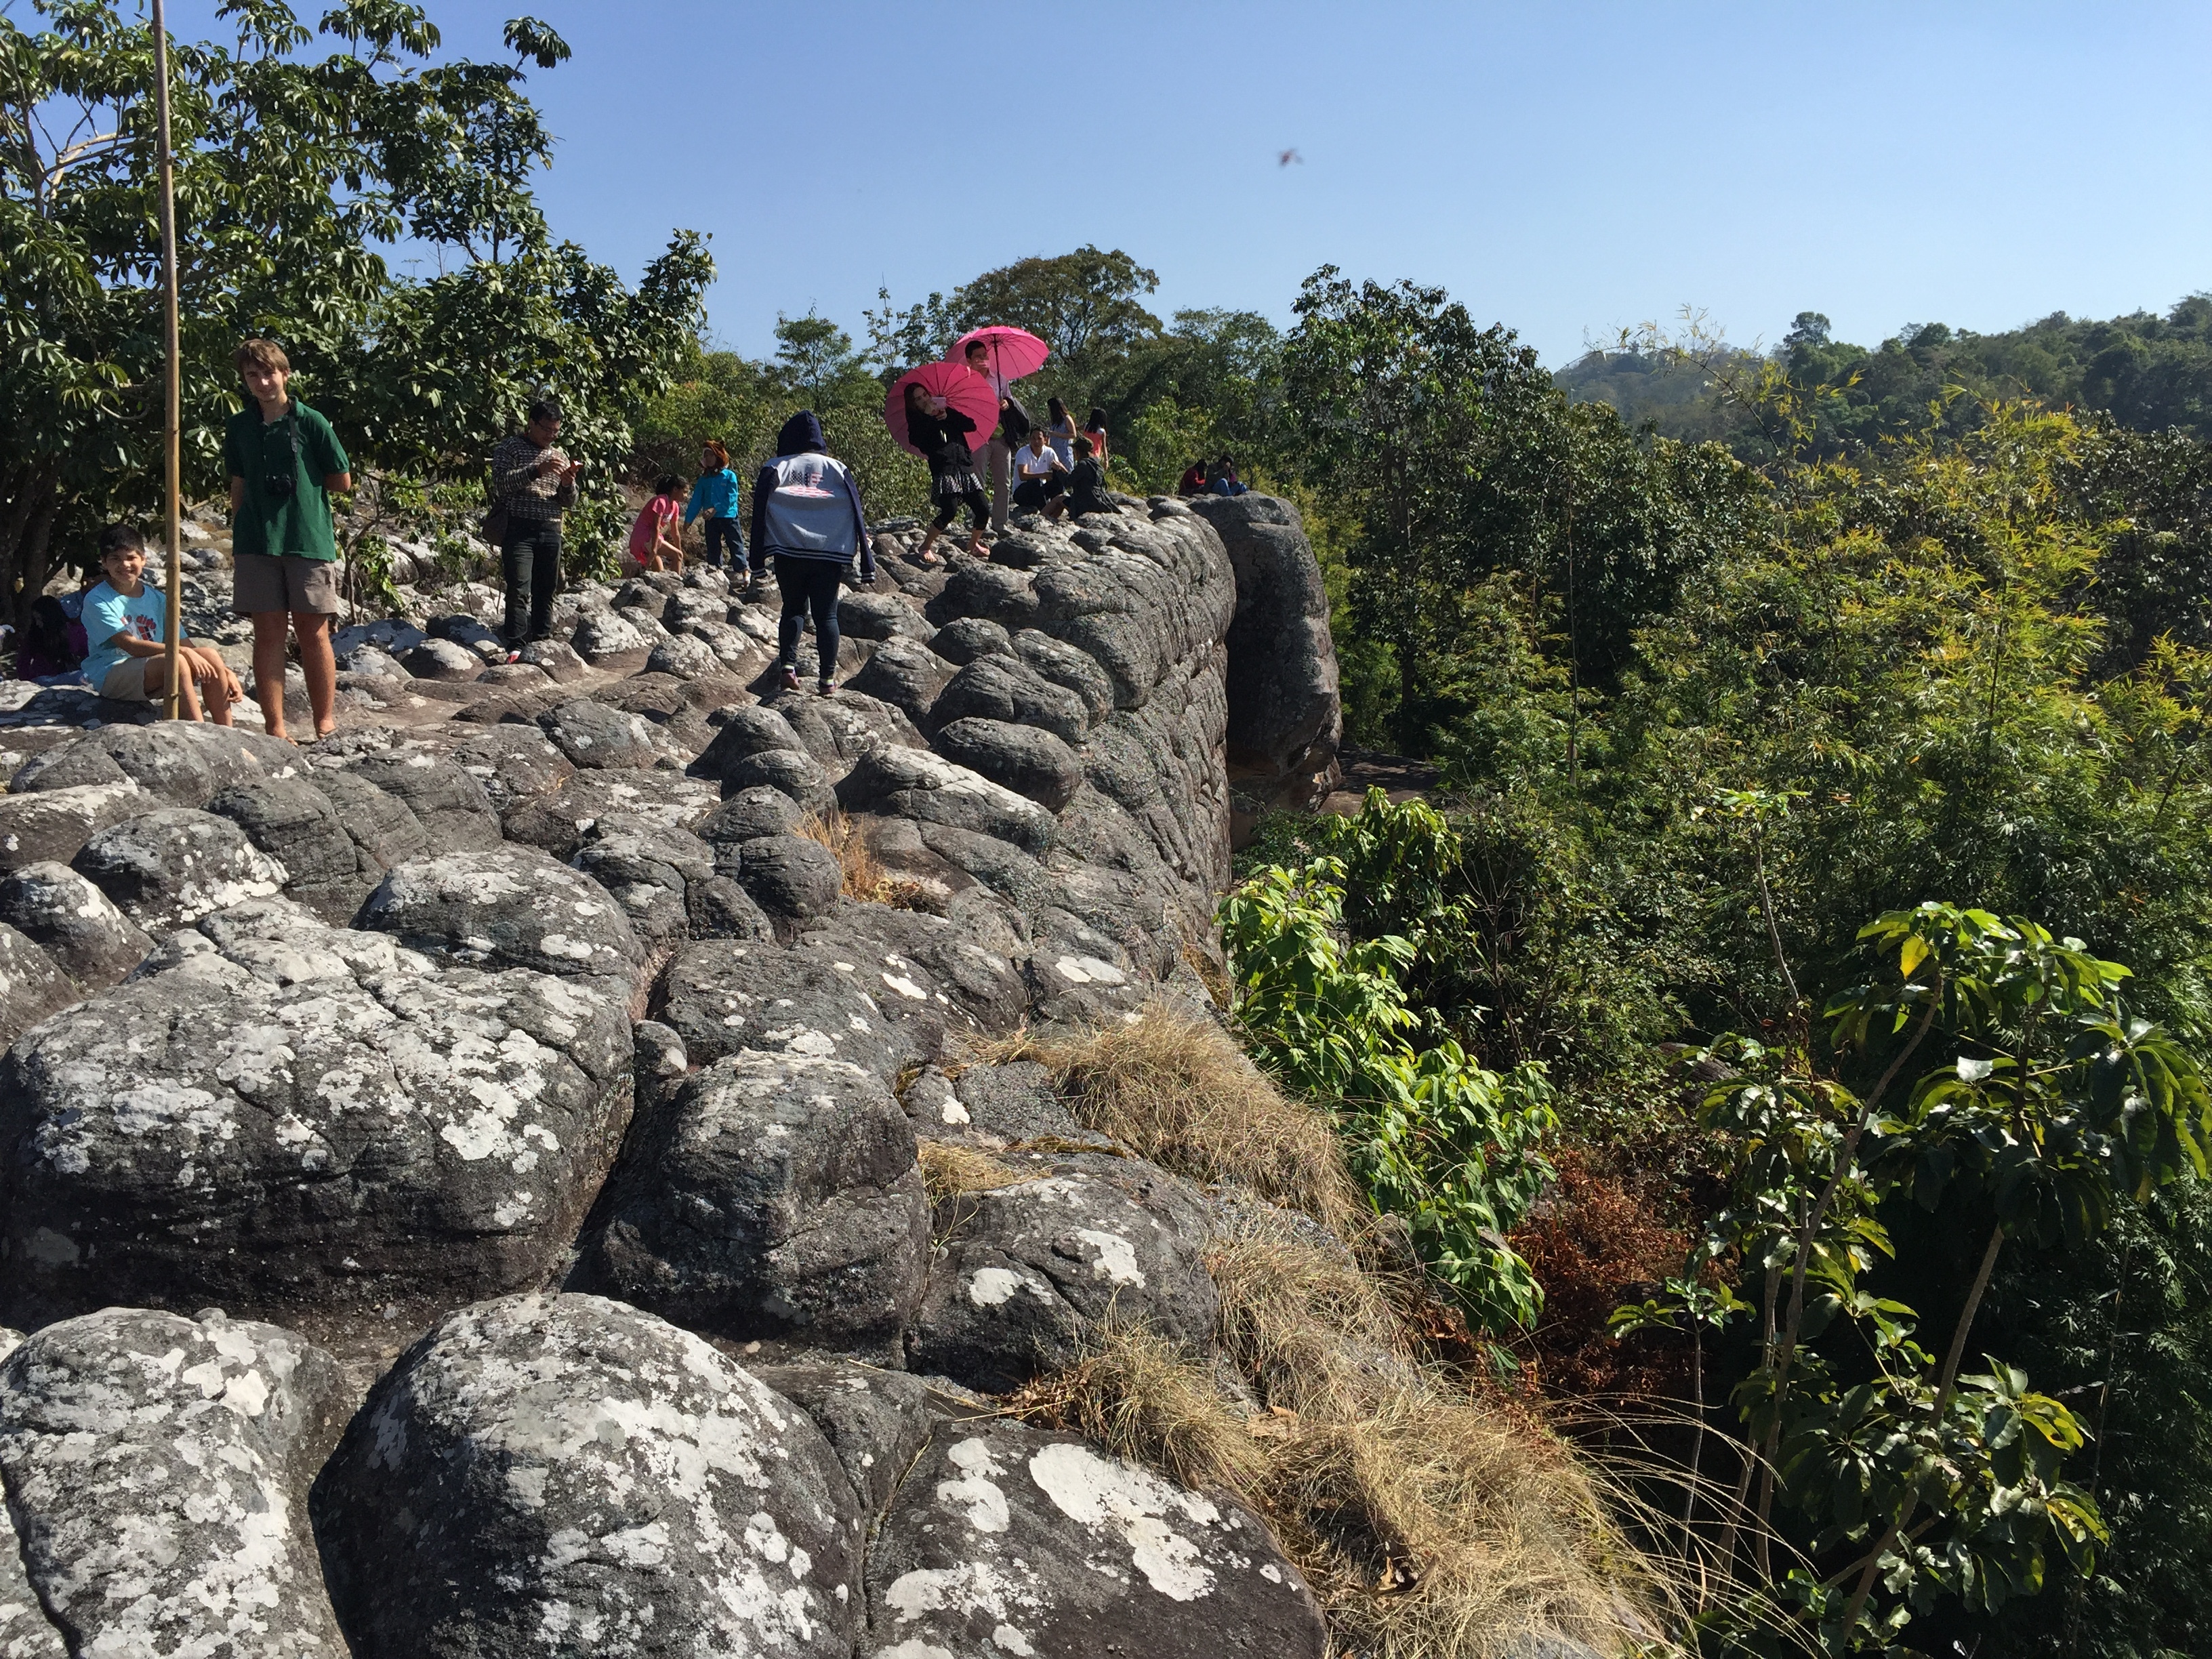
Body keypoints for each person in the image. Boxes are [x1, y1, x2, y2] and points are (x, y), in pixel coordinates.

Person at [226, 338, 350, 740]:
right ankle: (275, 727)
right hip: (256, 540)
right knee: (268, 632)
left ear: (285, 373)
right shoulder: (239, 425)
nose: (262, 382)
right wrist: (240, 524)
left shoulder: (311, 420)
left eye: (268, 373)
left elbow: (341, 480)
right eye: (252, 375)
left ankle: (324, 722)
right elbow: (238, 481)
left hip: (306, 537)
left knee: (314, 632)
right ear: (244, 380)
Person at [750, 410, 876, 695]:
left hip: (788, 549)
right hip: (829, 552)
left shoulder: (776, 466)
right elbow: (855, 510)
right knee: (827, 616)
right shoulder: (837, 468)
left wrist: (756, 559)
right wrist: (866, 562)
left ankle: (787, 668)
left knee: (793, 608)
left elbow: (759, 512)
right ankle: (827, 681)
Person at [82, 524, 241, 722]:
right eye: (115, 559)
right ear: (104, 562)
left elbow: (184, 644)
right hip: (113, 672)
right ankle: (198, 731)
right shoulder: (97, 600)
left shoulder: (157, 599)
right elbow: (130, 645)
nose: (124, 565)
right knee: (176, 662)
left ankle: (226, 732)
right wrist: (181, 652)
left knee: (210, 654)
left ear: (143, 559)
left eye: (131, 558)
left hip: (152, 669)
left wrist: (225, 673)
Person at [487, 398, 578, 651]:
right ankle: (515, 645)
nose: (551, 436)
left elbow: (569, 501)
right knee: (518, 587)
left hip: (551, 528)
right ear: (532, 423)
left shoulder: (559, 455)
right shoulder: (511, 448)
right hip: (518, 526)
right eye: (546, 430)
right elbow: (502, 483)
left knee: (546, 589)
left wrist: (568, 484)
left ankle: (541, 641)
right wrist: (537, 470)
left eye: (556, 432)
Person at [908, 383, 987, 564]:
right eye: (918, 399)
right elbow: (918, 441)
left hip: (964, 465)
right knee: (949, 510)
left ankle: (973, 544)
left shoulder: (947, 412)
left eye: (925, 395)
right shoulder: (918, 422)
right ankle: (925, 546)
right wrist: (929, 418)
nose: (924, 400)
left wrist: (948, 415)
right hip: (943, 468)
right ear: (914, 404)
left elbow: (970, 425)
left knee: (982, 508)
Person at [962, 338, 1017, 536]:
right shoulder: (966, 381)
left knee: (1004, 481)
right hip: (978, 436)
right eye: (978, 357)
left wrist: (1005, 404)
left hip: (1001, 435)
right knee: (978, 480)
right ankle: (978, 522)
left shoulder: (1000, 378)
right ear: (969, 360)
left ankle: (1000, 523)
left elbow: (1010, 401)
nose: (983, 359)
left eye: (985, 355)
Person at [684, 441, 748, 583]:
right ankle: (717, 575)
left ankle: (745, 576)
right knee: (713, 548)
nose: (708, 458)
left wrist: (716, 508)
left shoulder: (729, 476)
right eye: (706, 455)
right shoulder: (704, 480)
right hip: (711, 520)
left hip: (728, 516)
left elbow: (732, 497)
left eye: (711, 455)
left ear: (719, 456)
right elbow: (696, 500)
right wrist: (688, 520)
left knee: (735, 545)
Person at [14, 594, 85, 681]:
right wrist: (27, 681)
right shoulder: (35, 634)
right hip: (40, 680)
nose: (37, 623)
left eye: (40, 619)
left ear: (51, 618)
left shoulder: (77, 632)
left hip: (69, 678)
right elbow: (22, 662)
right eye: (35, 619)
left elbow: (89, 657)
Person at [630, 475, 684, 573]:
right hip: (644, 537)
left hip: (653, 539)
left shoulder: (675, 506)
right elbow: (655, 527)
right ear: (675, 489)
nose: (686, 496)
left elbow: (675, 532)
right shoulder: (660, 501)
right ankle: (677, 584)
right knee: (677, 556)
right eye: (684, 492)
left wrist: (679, 551)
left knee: (659, 573)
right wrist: (654, 550)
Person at [1049, 436, 1111, 520]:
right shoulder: (1096, 463)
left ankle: (1042, 518)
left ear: (1078, 451)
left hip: (1083, 504)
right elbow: (1076, 478)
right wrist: (1064, 469)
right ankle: (1052, 519)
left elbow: (1068, 483)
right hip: (1097, 501)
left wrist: (1059, 470)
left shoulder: (1083, 465)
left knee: (1058, 499)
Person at [1011, 427, 1070, 512]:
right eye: (1033, 439)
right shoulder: (1023, 452)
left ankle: (1057, 509)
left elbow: (1063, 471)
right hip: (1022, 492)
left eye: (1039, 439)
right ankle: (1045, 512)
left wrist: (1060, 468)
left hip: (1041, 490)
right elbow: (1023, 475)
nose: (1036, 442)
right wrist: (1043, 475)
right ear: (1030, 439)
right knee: (1036, 482)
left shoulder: (1049, 452)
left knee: (1057, 479)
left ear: (1045, 440)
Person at [1044, 397, 1078, 471]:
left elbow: (1073, 435)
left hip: (1065, 454)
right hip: (1055, 454)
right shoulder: (1054, 422)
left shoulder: (1067, 419)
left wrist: (1057, 434)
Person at [1081, 407, 1111, 471]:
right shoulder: (1101, 432)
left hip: (1083, 454)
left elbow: (1075, 429)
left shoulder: (1086, 426)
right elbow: (1104, 447)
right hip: (1095, 456)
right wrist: (1106, 460)